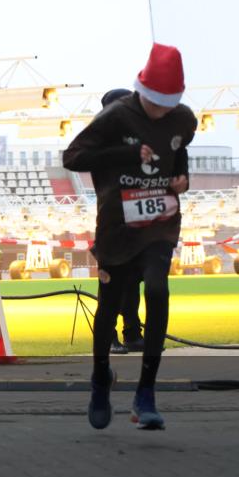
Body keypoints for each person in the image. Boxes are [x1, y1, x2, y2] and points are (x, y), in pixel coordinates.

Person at [63, 43, 196, 430]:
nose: (162, 113)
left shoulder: (183, 119)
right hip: (117, 228)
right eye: (156, 105)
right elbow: (73, 158)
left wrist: (182, 177)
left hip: (160, 222)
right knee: (109, 307)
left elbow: (180, 148)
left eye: (169, 106)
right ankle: (101, 378)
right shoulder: (116, 117)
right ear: (142, 93)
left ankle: (146, 392)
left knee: (156, 289)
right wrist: (126, 155)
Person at [98, 88, 191, 355]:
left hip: (149, 222)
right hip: (117, 222)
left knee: (136, 280)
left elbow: (178, 168)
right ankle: (110, 336)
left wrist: (179, 179)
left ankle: (132, 334)